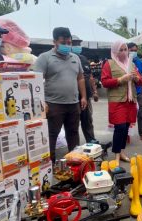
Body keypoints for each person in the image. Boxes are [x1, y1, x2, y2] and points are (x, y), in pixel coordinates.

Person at [35, 27, 87, 164]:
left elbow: (80, 78)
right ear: (54, 42)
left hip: (73, 104)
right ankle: (49, 165)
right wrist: (41, 102)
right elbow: (36, 81)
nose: (67, 45)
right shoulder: (44, 58)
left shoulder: (75, 58)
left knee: (73, 134)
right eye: (63, 42)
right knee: (51, 135)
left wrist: (83, 97)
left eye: (69, 42)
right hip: (53, 105)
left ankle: (74, 162)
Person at [101, 41, 142, 163]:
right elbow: (105, 82)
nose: (125, 52)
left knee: (125, 129)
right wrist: (121, 79)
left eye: (126, 49)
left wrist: (136, 78)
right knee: (119, 128)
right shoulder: (109, 64)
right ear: (115, 51)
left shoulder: (132, 64)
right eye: (121, 50)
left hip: (130, 101)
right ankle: (116, 155)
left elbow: (140, 82)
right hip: (117, 101)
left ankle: (122, 152)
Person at [71, 35, 98, 143]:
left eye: (79, 44)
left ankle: (91, 141)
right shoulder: (68, 59)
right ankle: (74, 146)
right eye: (75, 44)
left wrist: (95, 91)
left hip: (86, 97)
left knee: (87, 120)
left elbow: (90, 76)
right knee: (73, 123)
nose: (78, 46)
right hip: (73, 97)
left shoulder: (83, 58)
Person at [127, 42, 142, 142]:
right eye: (132, 50)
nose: (134, 52)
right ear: (127, 50)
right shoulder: (124, 62)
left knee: (140, 112)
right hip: (127, 91)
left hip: (138, 91)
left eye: (135, 51)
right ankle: (126, 134)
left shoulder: (139, 62)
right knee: (127, 114)